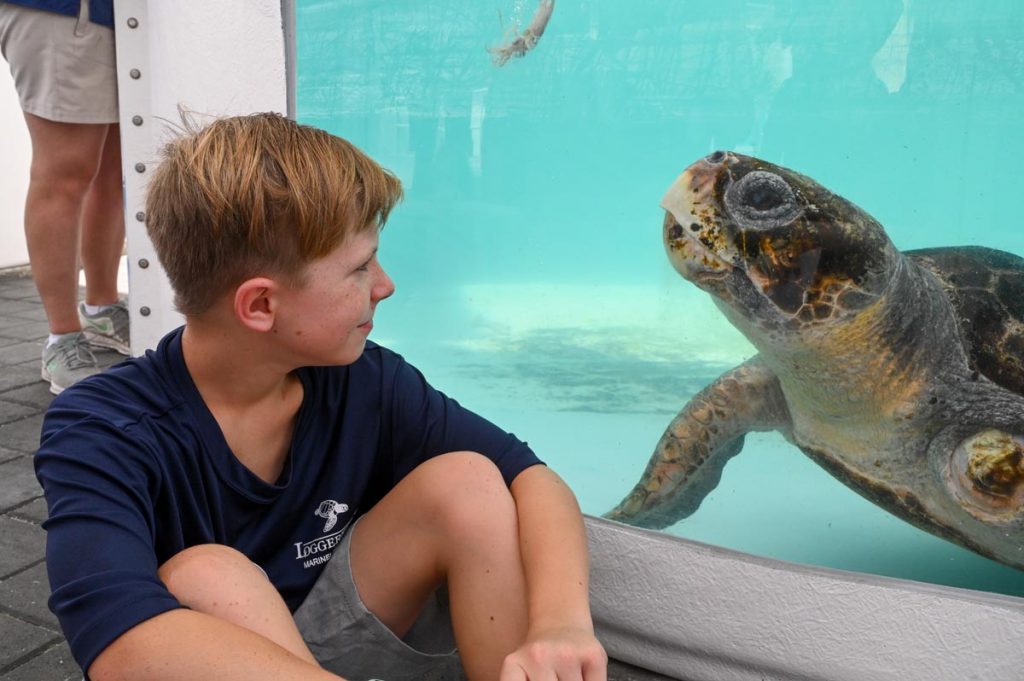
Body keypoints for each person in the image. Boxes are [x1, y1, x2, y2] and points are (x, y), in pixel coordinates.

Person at [36, 112, 608, 681]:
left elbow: (532, 477)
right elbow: (118, 643)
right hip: (207, 657)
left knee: (470, 481)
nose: (385, 285)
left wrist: (560, 625)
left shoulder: (363, 380)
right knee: (206, 572)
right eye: (360, 268)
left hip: (315, 648)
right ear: (260, 305)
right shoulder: (103, 428)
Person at [0, 0, 130, 395]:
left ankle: (102, 310)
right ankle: (62, 338)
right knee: (65, 175)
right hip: (64, 11)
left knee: (112, 173)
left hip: (121, 18)